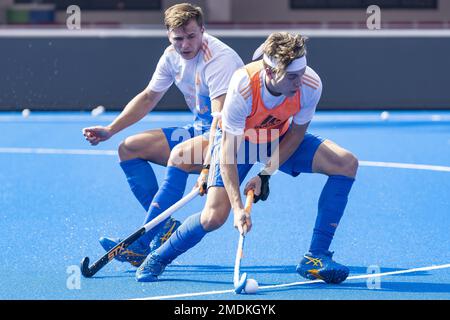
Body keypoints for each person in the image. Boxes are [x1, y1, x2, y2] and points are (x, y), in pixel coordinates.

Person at [135, 32, 358, 284]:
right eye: (293, 76)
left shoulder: (309, 84)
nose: (300, 82)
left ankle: (315, 257)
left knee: (346, 163)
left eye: (302, 72)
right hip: (239, 144)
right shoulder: (243, 87)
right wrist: (238, 207)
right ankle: (158, 257)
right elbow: (228, 153)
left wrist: (265, 174)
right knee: (213, 217)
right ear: (271, 72)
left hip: (278, 138)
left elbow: (296, 135)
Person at [82, 3, 244, 267]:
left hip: (233, 139)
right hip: (200, 131)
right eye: (178, 38)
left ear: (203, 30)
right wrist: (110, 129)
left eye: (191, 36)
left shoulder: (218, 60)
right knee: (129, 148)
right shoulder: (171, 56)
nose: (185, 44)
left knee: (180, 154)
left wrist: (206, 168)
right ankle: (164, 227)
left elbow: (221, 123)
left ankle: (142, 244)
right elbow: (148, 98)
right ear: (169, 35)